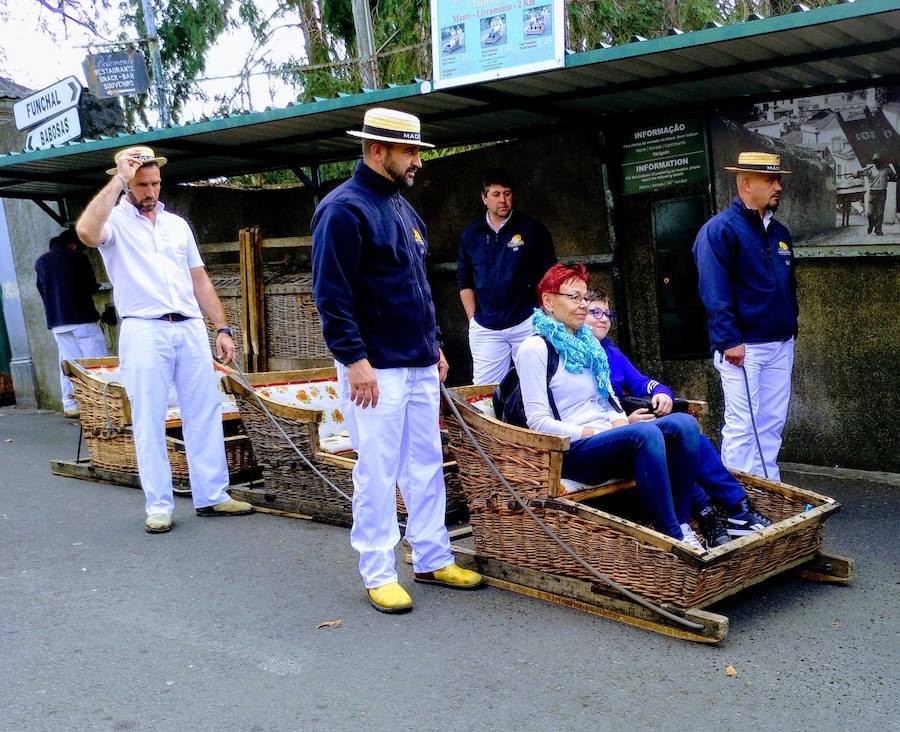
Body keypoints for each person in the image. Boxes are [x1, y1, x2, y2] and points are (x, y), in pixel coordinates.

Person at [312, 108, 484, 614]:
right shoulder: (343, 209)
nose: (417, 162)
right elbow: (331, 294)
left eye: (417, 152)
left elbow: (418, 287)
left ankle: (431, 556)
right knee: (378, 468)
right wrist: (354, 360)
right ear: (377, 151)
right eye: (409, 152)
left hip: (416, 362)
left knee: (426, 464)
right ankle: (378, 569)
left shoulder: (405, 211)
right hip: (374, 367)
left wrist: (434, 345)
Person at [75, 145, 254, 534]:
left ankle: (213, 495)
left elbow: (199, 279)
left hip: (188, 325)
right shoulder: (115, 222)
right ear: (126, 185)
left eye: (155, 182)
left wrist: (221, 327)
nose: (150, 191)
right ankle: (158, 504)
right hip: (144, 327)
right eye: (141, 184)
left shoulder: (177, 225)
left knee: (203, 409)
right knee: (149, 416)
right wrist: (118, 179)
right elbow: (86, 232)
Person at [515, 263, 705, 550]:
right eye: (574, 297)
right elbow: (538, 422)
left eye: (584, 298)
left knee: (685, 424)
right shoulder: (535, 348)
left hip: (607, 440)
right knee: (646, 434)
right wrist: (595, 433)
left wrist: (620, 424)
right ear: (548, 301)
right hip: (571, 449)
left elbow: (609, 403)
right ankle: (671, 537)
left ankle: (680, 523)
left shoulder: (589, 345)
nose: (582, 305)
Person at [585, 291, 772, 544]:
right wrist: (624, 422)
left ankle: (732, 508)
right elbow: (586, 409)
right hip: (612, 436)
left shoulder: (612, 353)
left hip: (637, 428)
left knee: (692, 437)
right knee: (682, 445)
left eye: (608, 314)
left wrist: (662, 393)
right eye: (595, 312)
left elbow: (641, 382)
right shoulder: (576, 355)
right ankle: (721, 509)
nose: (604, 319)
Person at [693, 152, 799, 481]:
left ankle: (768, 491)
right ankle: (736, 503)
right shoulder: (720, 230)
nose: (778, 186)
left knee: (771, 424)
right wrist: (729, 340)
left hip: (780, 343)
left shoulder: (780, 231)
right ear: (746, 184)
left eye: (778, 179)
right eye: (770, 180)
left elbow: (788, 285)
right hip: (744, 348)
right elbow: (714, 289)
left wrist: (791, 329)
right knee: (742, 426)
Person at [457, 168, 556, 385]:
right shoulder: (471, 234)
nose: (503, 200)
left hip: (526, 321)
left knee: (537, 383)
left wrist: (545, 317)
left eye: (508, 193)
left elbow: (550, 278)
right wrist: (473, 320)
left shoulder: (532, 229)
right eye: (496, 194)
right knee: (485, 391)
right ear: (484, 198)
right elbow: (464, 281)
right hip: (486, 327)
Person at [35, 227, 108, 418]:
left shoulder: (41, 262)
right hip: (81, 318)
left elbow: (42, 291)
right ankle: (103, 405)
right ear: (73, 245)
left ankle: (71, 405)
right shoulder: (77, 258)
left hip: (57, 323)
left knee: (69, 364)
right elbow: (91, 285)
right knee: (97, 363)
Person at [855, 153, 897, 236]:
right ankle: (871, 225)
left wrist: (892, 177)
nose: (877, 163)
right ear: (873, 162)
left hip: (882, 192)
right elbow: (859, 174)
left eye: (879, 162)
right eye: (875, 162)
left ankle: (878, 230)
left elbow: (893, 176)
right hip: (872, 192)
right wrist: (856, 173)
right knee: (870, 213)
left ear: (881, 162)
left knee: (880, 213)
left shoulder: (886, 168)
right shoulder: (870, 169)